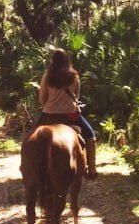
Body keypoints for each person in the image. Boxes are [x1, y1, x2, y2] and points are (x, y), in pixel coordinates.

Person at [37, 48, 98, 180]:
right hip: (70, 116)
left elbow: (42, 99)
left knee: (31, 136)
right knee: (90, 135)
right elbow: (77, 96)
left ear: (52, 61)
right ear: (67, 60)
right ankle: (91, 168)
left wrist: (52, 105)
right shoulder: (74, 76)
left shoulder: (47, 76)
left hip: (49, 115)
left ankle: (28, 166)